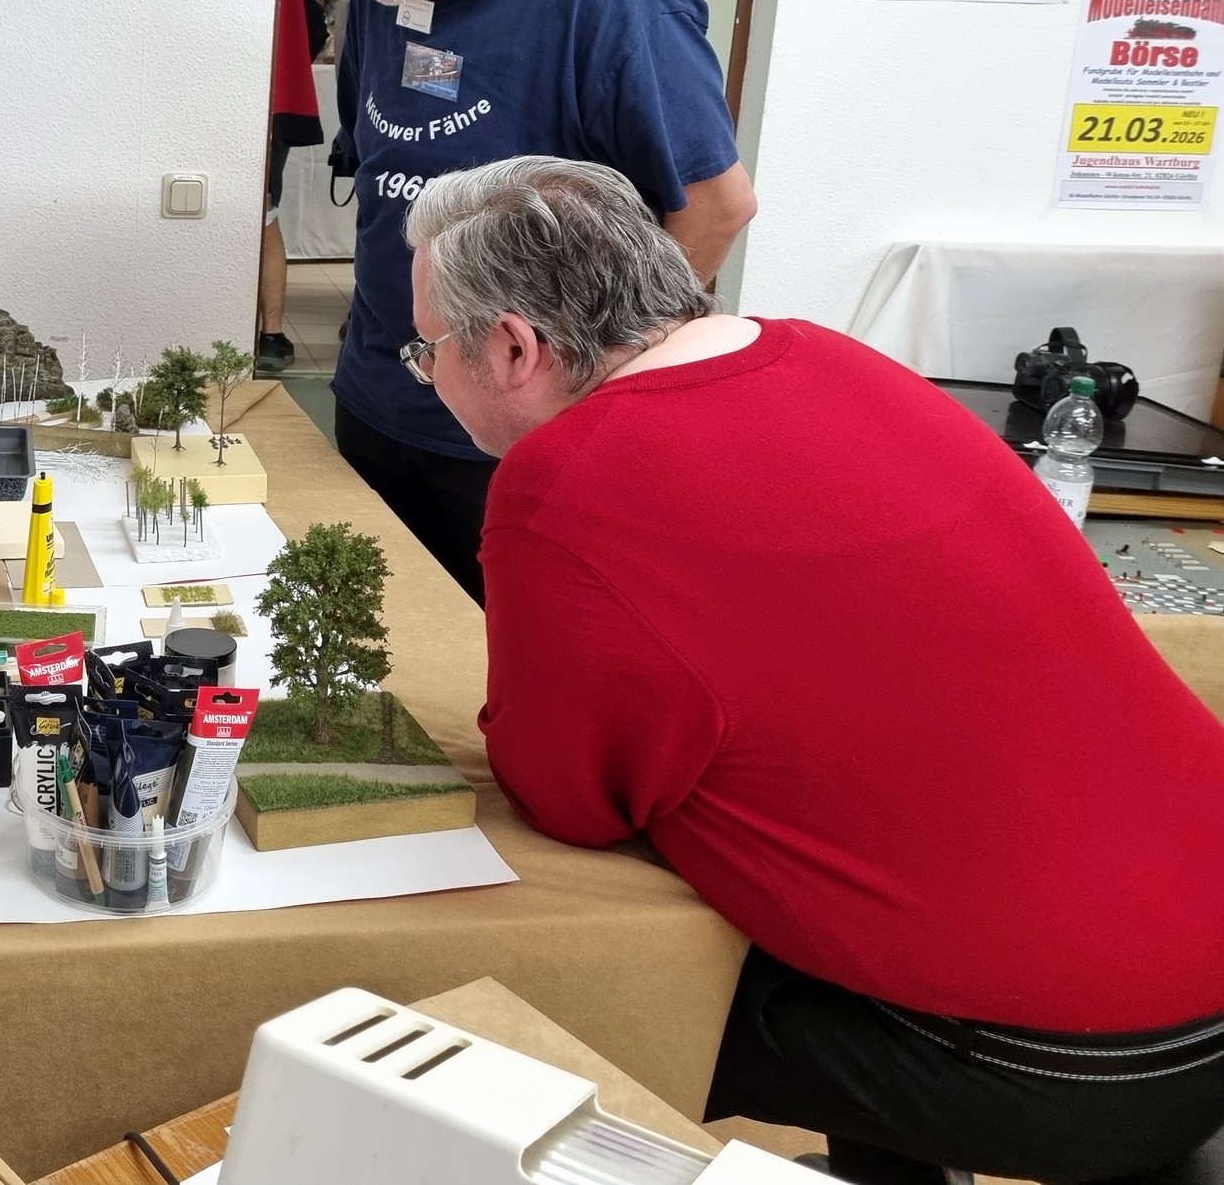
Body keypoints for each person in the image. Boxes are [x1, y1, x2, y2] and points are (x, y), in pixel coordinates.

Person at [403, 155, 1224, 1183]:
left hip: (1073, 1061)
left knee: (572, 989)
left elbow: (570, 799)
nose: (423, 373)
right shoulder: (829, 356)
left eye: (426, 350)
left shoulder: (565, 482)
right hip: (1183, 951)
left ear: (513, 346)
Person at [302, 0, 756, 605]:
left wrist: (600, 386)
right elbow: (381, 169)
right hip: (379, 396)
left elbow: (718, 207)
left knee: (505, 656)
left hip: (525, 433)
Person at [256, 0, 326, 374]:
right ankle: (271, 334)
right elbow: (316, 32)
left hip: (240, 108)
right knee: (267, 215)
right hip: (277, 107)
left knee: (257, 215)